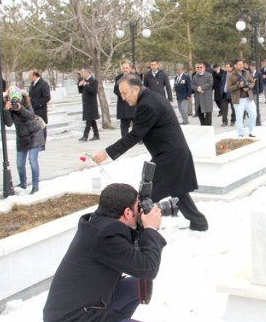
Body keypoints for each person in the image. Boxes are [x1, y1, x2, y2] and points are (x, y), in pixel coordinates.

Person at [43, 183, 166, 322]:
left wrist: (143, 228)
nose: (140, 211)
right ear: (127, 213)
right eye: (137, 207)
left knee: (139, 285)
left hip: (85, 304)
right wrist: (151, 229)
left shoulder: (99, 224)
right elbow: (148, 268)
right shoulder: (106, 236)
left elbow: (136, 261)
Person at [92, 74, 209, 231]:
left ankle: (138, 230)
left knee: (146, 196)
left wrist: (106, 153)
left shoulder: (147, 104)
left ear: (136, 88)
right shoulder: (149, 98)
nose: (123, 97)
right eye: (120, 93)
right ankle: (199, 222)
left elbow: (135, 135)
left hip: (169, 155)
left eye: (125, 93)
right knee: (178, 190)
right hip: (171, 153)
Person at [4, 86, 44, 195]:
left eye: (17, 98)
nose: (15, 101)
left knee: (32, 160)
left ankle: (35, 185)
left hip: (34, 134)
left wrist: (20, 108)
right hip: (22, 136)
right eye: (12, 98)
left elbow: (31, 116)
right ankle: (23, 183)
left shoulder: (26, 102)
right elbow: (9, 123)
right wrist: (7, 110)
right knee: (20, 163)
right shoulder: (8, 105)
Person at [227, 59, 257, 138]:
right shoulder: (230, 75)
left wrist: (248, 87)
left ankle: (249, 131)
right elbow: (229, 88)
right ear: (235, 65)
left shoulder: (246, 72)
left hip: (248, 97)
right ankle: (240, 133)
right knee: (239, 117)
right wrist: (238, 86)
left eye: (242, 64)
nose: (241, 65)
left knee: (253, 114)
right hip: (239, 99)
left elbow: (252, 82)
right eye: (239, 64)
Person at [28, 69, 51, 148]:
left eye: (30, 76)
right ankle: (36, 143)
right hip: (33, 109)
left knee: (42, 126)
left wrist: (38, 103)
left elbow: (47, 97)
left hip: (40, 109)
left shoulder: (43, 84)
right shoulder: (32, 83)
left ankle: (42, 144)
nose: (29, 77)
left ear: (34, 76)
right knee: (35, 127)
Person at [114, 62, 137, 137]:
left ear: (130, 68)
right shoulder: (118, 78)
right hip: (123, 103)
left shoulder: (135, 77)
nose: (125, 70)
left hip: (133, 103)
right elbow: (115, 90)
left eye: (126, 68)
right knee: (124, 124)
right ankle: (124, 139)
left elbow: (138, 89)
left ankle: (138, 138)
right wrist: (122, 95)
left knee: (136, 122)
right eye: (124, 68)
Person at [77, 68, 100, 141]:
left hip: (91, 104)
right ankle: (96, 134)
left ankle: (85, 136)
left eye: (83, 73)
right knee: (92, 120)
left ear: (88, 73)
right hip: (86, 103)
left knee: (89, 120)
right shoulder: (85, 81)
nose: (82, 74)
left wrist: (86, 85)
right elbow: (81, 91)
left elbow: (93, 91)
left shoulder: (93, 81)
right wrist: (80, 85)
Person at [192, 62, 214, 126]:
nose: (199, 69)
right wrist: (197, 88)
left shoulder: (209, 75)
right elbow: (192, 85)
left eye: (201, 67)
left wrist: (201, 88)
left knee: (208, 112)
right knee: (199, 111)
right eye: (197, 67)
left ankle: (208, 125)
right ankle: (202, 124)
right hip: (198, 96)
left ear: (204, 68)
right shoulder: (195, 76)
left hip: (206, 96)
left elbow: (210, 83)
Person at [219, 62, 236, 126]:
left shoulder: (235, 74)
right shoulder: (224, 74)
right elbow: (222, 83)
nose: (226, 68)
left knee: (233, 108)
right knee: (224, 108)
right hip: (224, 94)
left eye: (228, 67)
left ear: (232, 67)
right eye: (226, 67)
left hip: (232, 94)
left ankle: (233, 120)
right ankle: (224, 121)